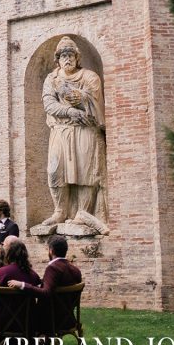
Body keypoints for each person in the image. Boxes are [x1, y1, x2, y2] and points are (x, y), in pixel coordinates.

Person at [41, 36, 106, 226]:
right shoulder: (51, 79)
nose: (67, 59)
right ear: (58, 59)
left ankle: (83, 214)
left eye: (70, 55)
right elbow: (49, 104)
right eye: (63, 56)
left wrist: (73, 95)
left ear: (77, 58)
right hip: (60, 131)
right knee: (55, 171)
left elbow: (93, 100)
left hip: (85, 130)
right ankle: (59, 211)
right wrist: (69, 110)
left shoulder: (89, 77)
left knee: (86, 172)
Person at [8, 236, 83, 331]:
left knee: (22, 315)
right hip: (68, 319)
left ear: (51, 251)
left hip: (50, 320)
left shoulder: (53, 268)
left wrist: (22, 285)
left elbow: (46, 293)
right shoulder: (75, 270)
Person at [0, 241, 41, 328]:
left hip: (1, 321)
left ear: (9, 255)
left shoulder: (2, 272)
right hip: (27, 321)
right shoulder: (33, 275)